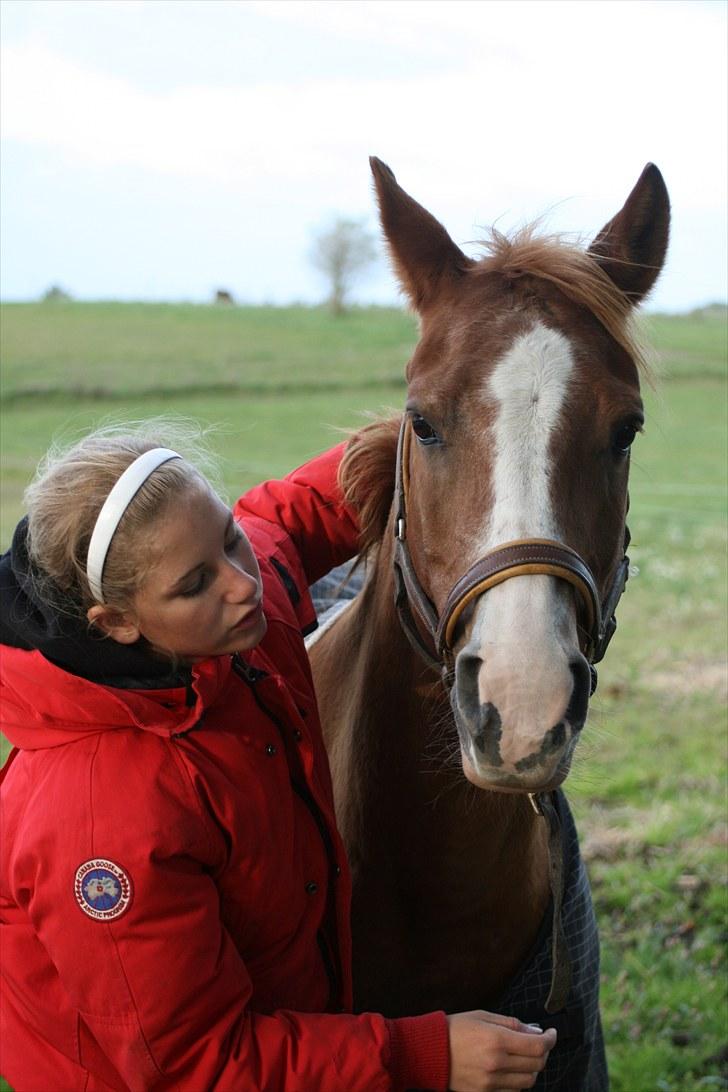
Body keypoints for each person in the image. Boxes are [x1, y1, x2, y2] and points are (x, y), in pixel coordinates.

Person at [0, 421, 556, 1092]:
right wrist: (421, 1054)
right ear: (117, 623)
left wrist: (449, 421)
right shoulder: (101, 821)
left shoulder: (223, 620)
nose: (243, 583)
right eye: (194, 583)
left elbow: (294, 517)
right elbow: (198, 1065)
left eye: (229, 537)